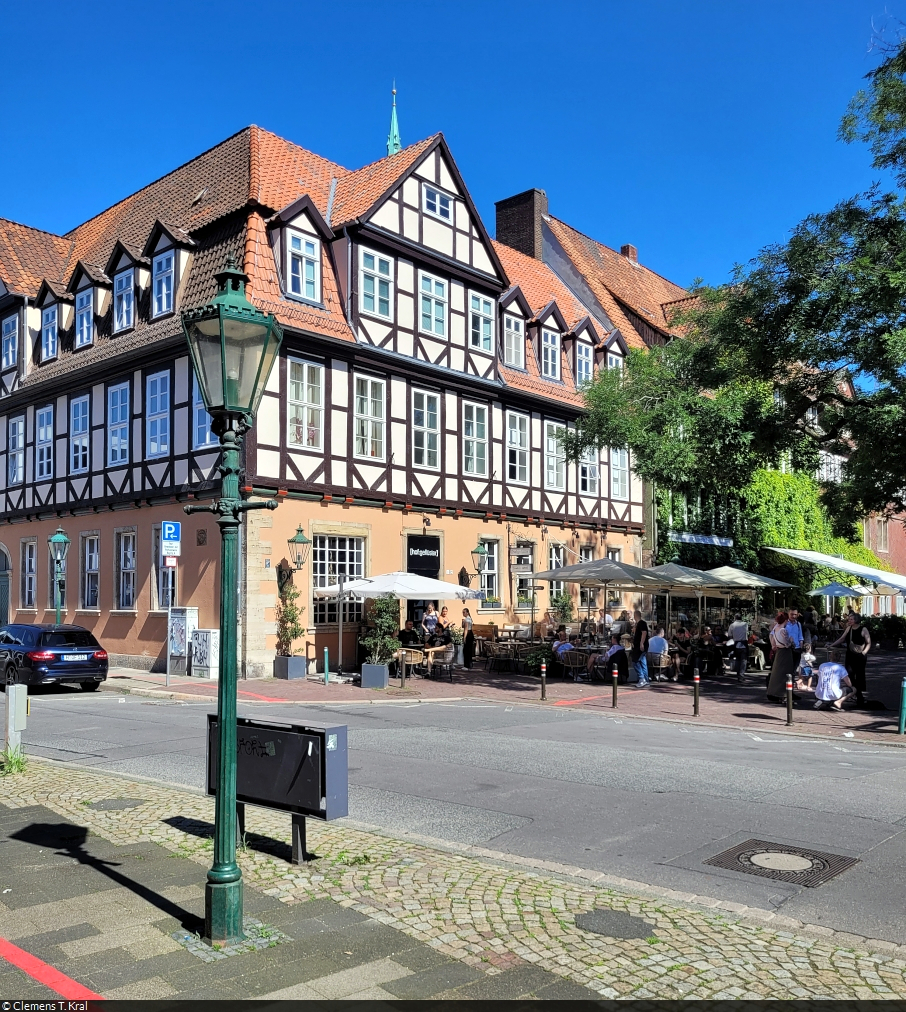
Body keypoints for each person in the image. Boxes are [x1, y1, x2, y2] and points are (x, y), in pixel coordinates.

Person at [830, 613, 871, 706]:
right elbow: (841, 639)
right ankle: (857, 694)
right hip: (850, 655)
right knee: (849, 674)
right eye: (849, 619)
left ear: (856, 620)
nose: (849, 621)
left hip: (860, 656)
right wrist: (831, 645)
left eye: (851, 619)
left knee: (859, 676)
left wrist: (864, 652)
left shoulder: (863, 629)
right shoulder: (849, 628)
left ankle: (859, 696)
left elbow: (868, 643)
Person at [766, 610, 798, 703]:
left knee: (777, 674)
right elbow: (787, 644)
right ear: (786, 620)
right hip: (785, 653)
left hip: (779, 653)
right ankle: (784, 695)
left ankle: (776, 693)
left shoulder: (775, 629)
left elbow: (773, 640)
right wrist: (791, 641)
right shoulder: (783, 630)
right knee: (786, 675)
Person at [727, 613, 749, 682]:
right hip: (744, 644)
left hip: (736, 644)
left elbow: (730, 635)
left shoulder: (732, 625)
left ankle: (738, 674)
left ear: (735, 618)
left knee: (737, 659)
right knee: (743, 660)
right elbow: (747, 632)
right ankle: (741, 675)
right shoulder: (745, 624)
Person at [631, 609, 649, 687]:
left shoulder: (641, 623)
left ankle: (642, 678)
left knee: (635, 661)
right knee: (643, 662)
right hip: (641, 646)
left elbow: (644, 632)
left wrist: (641, 643)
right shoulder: (639, 624)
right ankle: (646, 679)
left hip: (640, 646)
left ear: (635, 616)